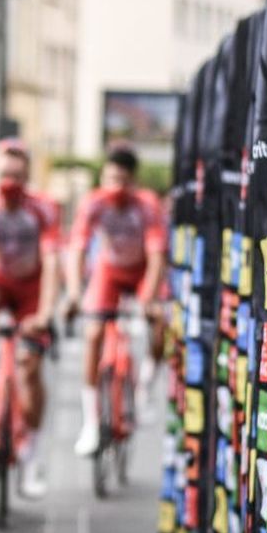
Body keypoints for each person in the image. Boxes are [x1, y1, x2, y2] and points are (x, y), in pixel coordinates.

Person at [62, 144, 168, 457]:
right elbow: (77, 250)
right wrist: (73, 292)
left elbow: (157, 257)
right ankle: (91, 422)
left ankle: (145, 384)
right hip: (109, 271)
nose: (115, 187)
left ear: (133, 181)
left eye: (122, 180)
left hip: (141, 271)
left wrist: (148, 298)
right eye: (110, 179)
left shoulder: (147, 206)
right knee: (93, 334)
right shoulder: (93, 203)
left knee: (160, 323)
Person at [0, 137, 61, 500]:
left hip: (31, 292)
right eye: (3, 174)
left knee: (29, 366)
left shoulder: (43, 207)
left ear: (28, 174)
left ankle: (33, 452)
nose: (9, 181)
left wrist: (45, 313)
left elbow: (52, 261)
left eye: (17, 174)